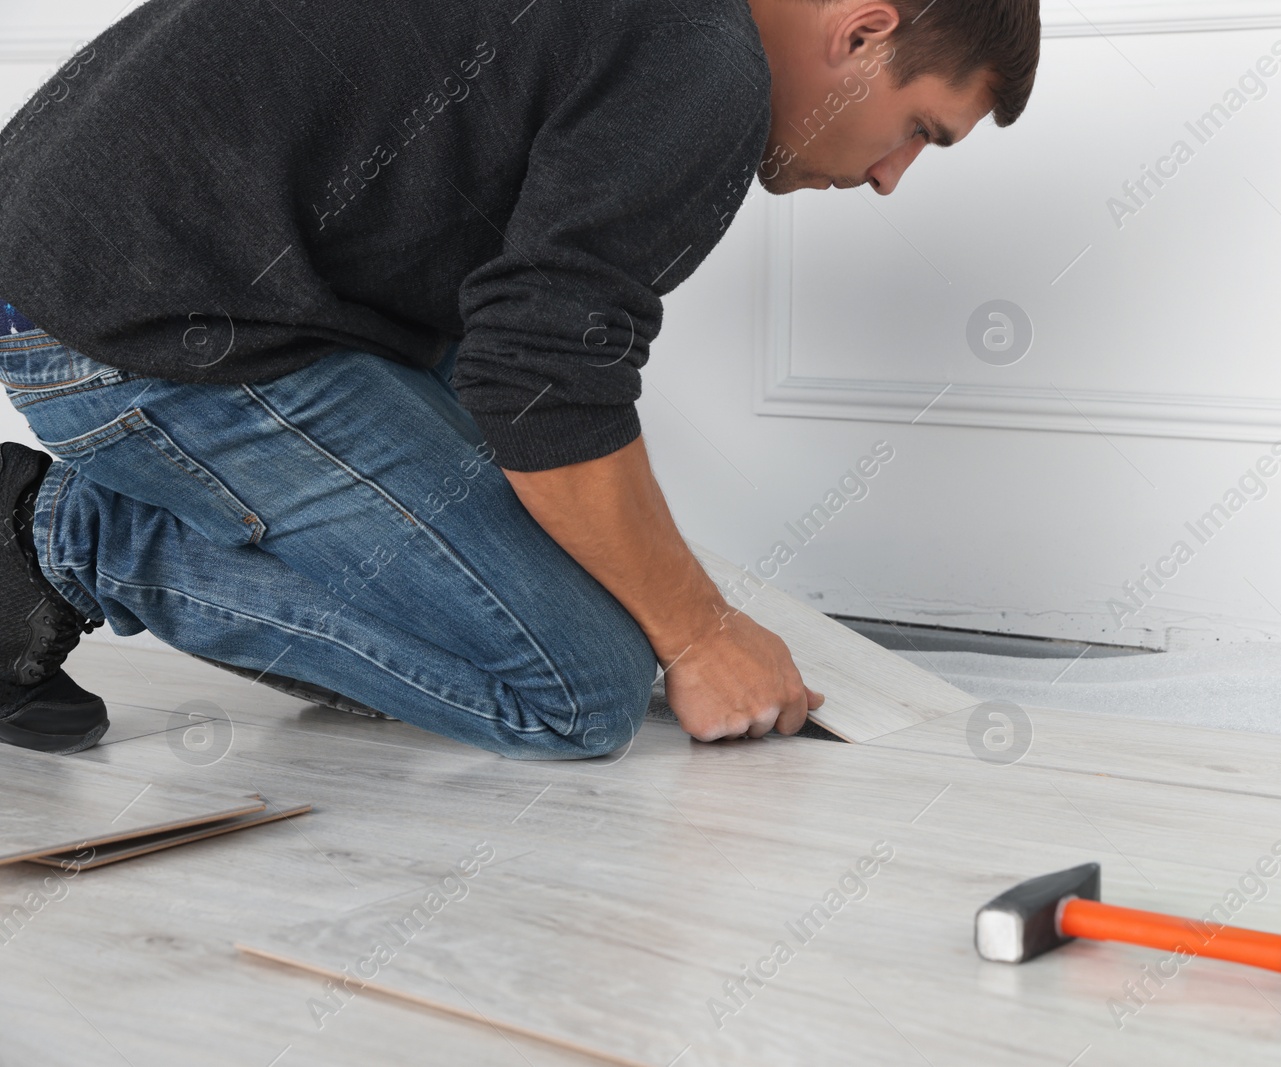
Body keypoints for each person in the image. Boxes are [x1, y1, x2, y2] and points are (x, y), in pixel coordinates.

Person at [0, 0, 1039, 757]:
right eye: (919, 130)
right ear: (861, 31)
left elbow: (509, 337)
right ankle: (60, 538)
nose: (894, 174)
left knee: (541, 592)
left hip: (152, 268)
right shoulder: (707, 62)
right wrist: (700, 629)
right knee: (576, 686)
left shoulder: (658, 31)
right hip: (137, 316)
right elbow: (538, 374)